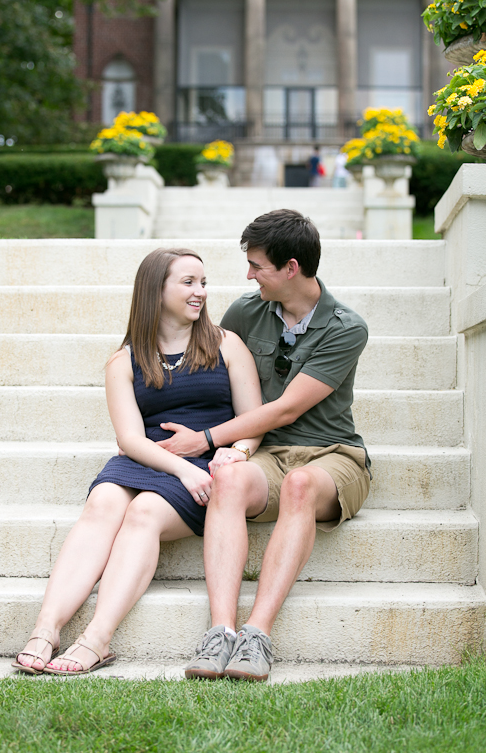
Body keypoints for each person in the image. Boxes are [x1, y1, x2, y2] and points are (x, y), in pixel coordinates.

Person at [13, 248, 263, 675]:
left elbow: (253, 420)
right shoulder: (124, 360)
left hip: (206, 465)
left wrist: (232, 453)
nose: (200, 291)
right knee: (104, 502)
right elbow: (128, 438)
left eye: (202, 282)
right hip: (148, 460)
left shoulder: (226, 345)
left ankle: (97, 639)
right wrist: (179, 467)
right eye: (188, 282)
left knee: (144, 511)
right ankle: (46, 629)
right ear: (155, 289)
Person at [157, 210, 371, 682]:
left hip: (332, 455)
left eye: (257, 265)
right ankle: (220, 631)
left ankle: (258, 635)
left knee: (299, 485)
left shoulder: (346, 327)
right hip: (266, 454)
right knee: (227, 477)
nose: (248, 274)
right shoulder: (243, 313)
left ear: (291, 268)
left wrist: (209, 438)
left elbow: (287, 409)